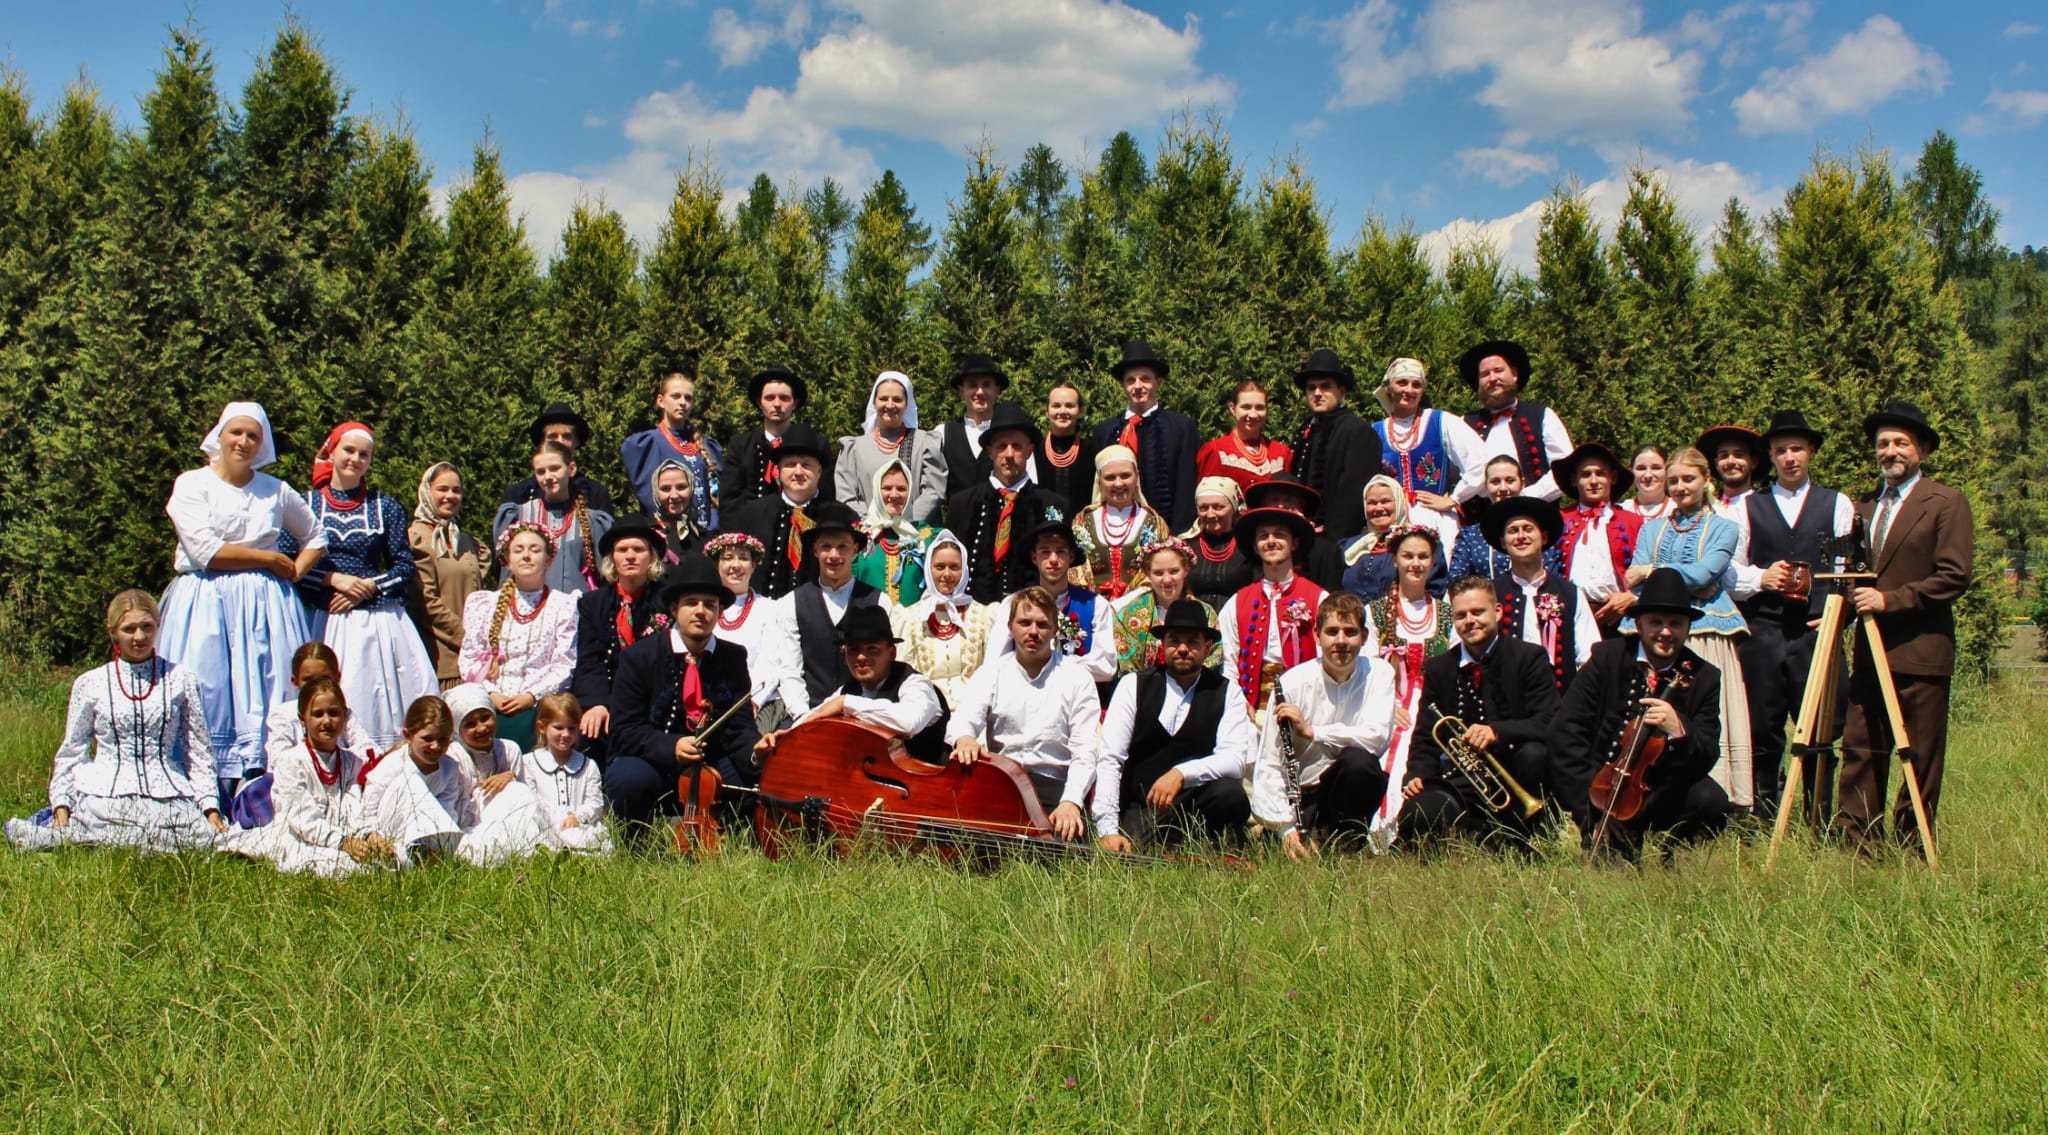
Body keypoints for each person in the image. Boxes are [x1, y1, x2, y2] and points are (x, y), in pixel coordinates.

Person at [158, 402, 324, 791]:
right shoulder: (192, 484)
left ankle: (263, 785)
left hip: (265, 605)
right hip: (205, 599)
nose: (243, 442)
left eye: (253, 436)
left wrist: (295, 570)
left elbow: (315, 535)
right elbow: (206, 551)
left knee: (267, 685)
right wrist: (270, 558)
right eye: (236, 432)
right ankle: (204, 788)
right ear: (220, 435)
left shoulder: (274, 491)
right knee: (207, 684)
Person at [1838, 401, 1973, 854]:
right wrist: (1838, 612)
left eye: (1901, 443)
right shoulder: (1862, 506)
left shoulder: (1946, 502)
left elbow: (1953, 576)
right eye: (1883, 444)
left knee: (1920, 755)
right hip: (1869, 651)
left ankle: (1914, 845)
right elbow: (1854, 577)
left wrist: (1889, 601)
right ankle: (1858, 844)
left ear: (1922, 451)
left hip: (1921, 651)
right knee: (1861, 747)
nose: (1890, 451)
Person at [6, 590, 227, 852]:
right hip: (105, 799)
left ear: (158, 626)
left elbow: (199, 752)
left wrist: (210, 807)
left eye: (147, 627)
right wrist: (62, 807)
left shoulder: (182, 679)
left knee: (199, 843)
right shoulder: (91, 683)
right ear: (112, 632)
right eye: (129, 629)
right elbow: (72, 751)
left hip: (169, 798)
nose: (139, 637)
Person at [1551, 568, 1731, 861]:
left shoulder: (1704, 676)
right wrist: (1591, 812)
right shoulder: (1607, 659)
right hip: (1604, 789)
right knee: (1612, 871)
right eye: (1656, 622)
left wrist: (1679, 729)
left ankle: (1673, 856)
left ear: (1688, 628)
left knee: (1712, 800)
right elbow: (1566, 733)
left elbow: (1708, 752)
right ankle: (1608, 835)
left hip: (1662, 791)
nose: (1665, 632)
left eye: (1676, 624)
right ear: (1638, 624)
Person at [1727, 410, 1854, 820]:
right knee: (1762, 731)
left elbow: (1846, 570)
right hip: (1763, 633)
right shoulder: (1748, 507)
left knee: (1820, 731)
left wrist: (1838, 614)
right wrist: (1761, 578)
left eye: (1797, 449)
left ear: (1811, 452)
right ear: (1770, 456)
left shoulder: (1837, 504)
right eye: (1781, 450)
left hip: (1816, 633)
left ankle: (1818, 822)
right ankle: (1763, 820)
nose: (1790, 457)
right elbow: (1730, 571)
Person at [294, 421, 437, 752]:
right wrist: (335, 580)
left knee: (381, 698)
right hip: (324, 615)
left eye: (364, 454)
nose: (355, 459)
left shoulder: (385, 506)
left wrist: (368, 587)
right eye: (349, 450)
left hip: (377, 622)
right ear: (331, 452)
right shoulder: (304, 505)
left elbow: (404, 567)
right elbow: (289, 563)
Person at [1625, 447, 1752, 810]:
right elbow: (1633, 576)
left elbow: (1703, 574)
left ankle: (1720, 797)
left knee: (1704, 709)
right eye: (1674, 480)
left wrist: (1652, 571)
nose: (1680, 487)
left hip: (1707, 629)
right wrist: (1653, 575)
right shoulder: (1652, 529)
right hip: (1659, 633)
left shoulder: (1724, 528)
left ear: (1706, 480)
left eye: (1688, 479)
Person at [1398, 577, 1561, 851]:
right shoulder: (1440, 668)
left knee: (1535, 754)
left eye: (1478, 612)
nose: (1469, 621)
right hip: (1463, 778)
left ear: (1497, 611)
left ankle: (1523, 837)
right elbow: (1426, 735)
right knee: (1420, 813)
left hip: (1517, 771)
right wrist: (1417, 774)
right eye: (1461, 615)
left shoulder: (1528, 658)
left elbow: (1549, 720)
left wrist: (1497, 732)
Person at [605, 553, 765, 829]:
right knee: (628, 779)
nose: (701, 611)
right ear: (674, 608)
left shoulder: (733, 657)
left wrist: (756, 753)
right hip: (653, 761)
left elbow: (739, 728)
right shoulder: (638, 656)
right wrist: (671, 747)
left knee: (756, 781)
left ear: (719, 612)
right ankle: (635, 841)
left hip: (712, 761)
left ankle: (728, 839)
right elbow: (624, 730)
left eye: (710, 605)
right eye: (691, 603)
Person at [1093, 600, 1253, 851]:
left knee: (1230, 794)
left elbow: (1234, 760)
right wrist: (1107, 830)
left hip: (1195, 804)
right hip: (1142, 807)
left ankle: (1208, 845)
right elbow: (1111, 759)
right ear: (1163, 644)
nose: (1182, 649)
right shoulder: (1133, 686)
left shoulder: (1227, 692)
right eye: (1174, 641)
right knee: (1133, 849)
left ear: (1207, 647)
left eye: (1192, 642)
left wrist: (1181, 774)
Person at [1249, 593, 1398, 859]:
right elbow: (1269, 764)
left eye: (1350, 632)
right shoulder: (1292, 684)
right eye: (1332, 632)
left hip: (1347, 791)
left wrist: (1313, 732)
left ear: (1364, 636)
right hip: (1301, 796)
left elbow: (1375, 738)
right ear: (1317, 636)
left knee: (1359, 763)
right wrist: (1286, 830)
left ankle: (1347, 846)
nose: (1341, 641)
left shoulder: (1380, 674)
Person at [944, 586, 1096, 841]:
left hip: (1055, 788)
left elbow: (1085, 751)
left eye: (1042, 624)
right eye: (1024, 623)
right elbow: (964, 719)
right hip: (1002, 784)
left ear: (1055, 630)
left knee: (1066, 849)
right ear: (1010, 627)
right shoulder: (991, 673)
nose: (1033, 631)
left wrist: (1071, 802)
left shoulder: (1077, 678)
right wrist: (965, 738)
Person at [218, 678, 391, 877]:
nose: (327, 721)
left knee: (391, 861)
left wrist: (369, 835)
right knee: (343, 866)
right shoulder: (291, 761)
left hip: (342, 836)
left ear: (345, 717)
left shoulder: (352, 762)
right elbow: (302, 819)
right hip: (299, 837)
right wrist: (343, 843)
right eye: (318, 714)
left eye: (334, 713)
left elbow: (354, 810)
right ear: (303, 719)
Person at [759, 605, 950, 766]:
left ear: (891, 653)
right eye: (854, 650)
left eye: (872, 649)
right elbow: (817, 715)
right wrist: (785, 738)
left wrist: (846, 703)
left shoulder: (916, 684)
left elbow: (908, 723)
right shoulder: (846, 691)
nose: (861, 657)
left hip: (928, 791)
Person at [1364, 526, 1456, 845]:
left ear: (1432, 562)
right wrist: (1389, 706)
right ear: (1395, 560)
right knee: (1390, 749)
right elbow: (1367, 668)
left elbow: (1454, 669)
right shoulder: (1375, 612)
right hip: (1388, 705)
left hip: (1434, 708)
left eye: (1423, 557)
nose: (1415, 563)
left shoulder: (1447, 613)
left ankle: (1420, 830)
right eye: (1408, 556)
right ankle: (1380, 831)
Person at [459, 523, 579, 751]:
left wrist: (530, 696)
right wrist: (491, 693)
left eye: (535, 550)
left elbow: (564, 665)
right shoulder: (484, 604)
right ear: (507, 559)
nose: (526, 556)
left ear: (548, 559)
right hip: (490, 703)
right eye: (518, 550)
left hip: (538, 705)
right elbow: (470, 657)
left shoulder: (563, 605)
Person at [771, 502, 889, 717]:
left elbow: (886, 667)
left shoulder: (879, 601)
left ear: (855, 549)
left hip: (864, 714)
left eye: (842, 546)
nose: (834, 555)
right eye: (826, 546)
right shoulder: (790, 603)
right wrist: (804, 717)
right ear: (815, 550)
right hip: (807, 713)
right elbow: (790, 671)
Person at [1217, 505, 1333, 712]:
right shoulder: (1237, 602)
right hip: (1251, 710)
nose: (1271, 541)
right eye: (1263, 536)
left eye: (1279, 534)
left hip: (1306, 706)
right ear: (1255, 547)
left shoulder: (1319, 599)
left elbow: (1327, 658)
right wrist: (1239, 704)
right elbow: (1229, 661)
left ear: (1294, 543)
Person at [571, 516, 668, 762]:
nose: (630, 556)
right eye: (622, 550)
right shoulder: (592, 604)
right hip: (607, 697)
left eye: (638, 549)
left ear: (651, 557)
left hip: (653, 700)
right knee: (587, 734)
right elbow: (589, 660)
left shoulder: (667, 602)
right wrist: (596, 703)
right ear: (612, 558)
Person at [948, 402, 1067, 603]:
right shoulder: (962, 504)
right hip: (974, 613)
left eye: (1017, 446)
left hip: (1034, 613)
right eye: (1001, 446)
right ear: (990, 451)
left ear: (1030, 451)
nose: (1009, 455)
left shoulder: (1053, 504)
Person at [981, 519, 1118, 689]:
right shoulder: (1012, 604)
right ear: (1034, 557)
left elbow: (1106, 666)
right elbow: (994, 663)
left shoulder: (1095, 605)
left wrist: (1051, 666)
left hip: (1078, 698)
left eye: (1061, 552)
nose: (1053, 559)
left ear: (1071, 556)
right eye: (1045, 551)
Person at [1484, 496, 1599, 690]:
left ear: (1544, 537)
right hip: (1504, 699)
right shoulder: (1489, 593)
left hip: (1560, 700)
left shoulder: (1571, 594)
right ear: (1503, 542)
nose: (1521, 536)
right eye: (1513, 531)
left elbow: (1589, 655)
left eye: (1528, 529)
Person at [1090, 339, 1200, 533]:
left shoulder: (1181, 427)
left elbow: (1186, 487)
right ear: (1123, 385)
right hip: (1114, 532)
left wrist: (1178, 536)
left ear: (1158, 382)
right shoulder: (1105, 431)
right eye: (1131, 380)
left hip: (1167, 534)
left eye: (1145, 379)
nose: (1138, 386)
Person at [726, 421, 834, 599]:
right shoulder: (752, 514)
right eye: (791, 464)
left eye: (806, 465)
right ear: (778, 470)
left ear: (819, 470)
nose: (798, 472)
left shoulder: (837, 516)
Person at [492, 440, 614, 596]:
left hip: (578, 606)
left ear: (571, 469)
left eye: (555, 468)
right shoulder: (519, 516)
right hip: (529, 606)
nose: (548, 476)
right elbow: (506, 574)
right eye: (541, 472)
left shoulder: (593, 521)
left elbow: (606, 578)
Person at [1458, 339, 1573, 501]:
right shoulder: (1464, 424)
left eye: (1498, 370)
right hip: (1481, 515)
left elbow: (1564, 469)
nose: (1492, 378)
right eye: (1485, 374)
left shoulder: (1542, 416)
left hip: (1535, 512)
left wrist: (1525, 498)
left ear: (1514, 374)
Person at [1287, 348, 1384, 539]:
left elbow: (1353, 497)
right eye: (1311, 388)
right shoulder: (1305, 430)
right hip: (1302, 536)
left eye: (1325, 387)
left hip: (1338, 540)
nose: (1317, 393)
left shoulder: (1358, 432)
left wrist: (1331, 544)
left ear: (1341, 391)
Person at [1371, 357, 1487, 513]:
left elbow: (1480, 461)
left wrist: (1454, 499)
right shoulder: (1375, 431)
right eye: (1402, 383)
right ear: (1389, 387)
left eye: (1416, 385)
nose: (1409, 390)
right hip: (1389, 518)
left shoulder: (1442, 421)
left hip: (1433, 517)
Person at [407, 462, 485, 689]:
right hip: (441, 660)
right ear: (426, 491)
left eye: (456, 490)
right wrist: (466, 638)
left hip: (474, 660)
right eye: (442, 489)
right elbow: (425, 602)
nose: (450, 496)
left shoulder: (466, 541)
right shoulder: (416, 539)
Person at [1553, 442, 1643, 636]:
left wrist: (1632, 597)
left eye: (1600, 473)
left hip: (1619, 616)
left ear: (1613, 478)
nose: (1593, 481)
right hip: (1570, 615)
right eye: (1586, 474)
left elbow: (1647, 569)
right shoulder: (1559, 521)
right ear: (1574, 480)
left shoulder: (1633, 522)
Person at [835, 370, 945, 526]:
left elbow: (932, 491)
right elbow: (847, 496)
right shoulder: (854, 448)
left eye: (897, 399)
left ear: (907, 404)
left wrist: (905, 524)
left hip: (915, 533)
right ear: (874, 402)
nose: (890, 405)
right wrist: (874, 525)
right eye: (883, 398)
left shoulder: (924, 443)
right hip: (869, 534)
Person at [703, 531, 789, 728]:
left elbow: (771, 662)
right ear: (716, 565)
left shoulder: (770, 609)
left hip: (757, 701)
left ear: (754, 565)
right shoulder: (705, 607)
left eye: (743, 558)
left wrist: (753, 701)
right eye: (728, 558)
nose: (736, 565)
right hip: (710, 702)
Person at [621, 371, 721, 530]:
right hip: (668, 534)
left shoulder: (707, 446)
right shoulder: (647, 444)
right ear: (661, 401)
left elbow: (716, 496)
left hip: (705, 533)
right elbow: (649, 498)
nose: (682, 403)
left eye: (688, 398)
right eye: (676, 396)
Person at [722, 364, 830, 512]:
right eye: (770, 398)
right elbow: (729, 502)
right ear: (760, 402)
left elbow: (825, 497)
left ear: (795, 403)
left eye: (784, 398)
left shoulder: (817, 445)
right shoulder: (740, 445)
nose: (777, 404)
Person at [517, 692, 614, 853]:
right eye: (558, 728)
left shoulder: (588, 765)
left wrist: (578, 818)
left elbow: (595, 803)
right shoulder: (529, 763)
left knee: (596, 840)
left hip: (580, 825)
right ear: (542, 727)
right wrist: (555, 822)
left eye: (571, 728)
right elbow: (531, 803)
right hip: (545, 826)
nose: (566, 734)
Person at [899, 532, 987, 709]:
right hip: (927, 711)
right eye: (940, 567)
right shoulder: (911, 617)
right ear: (928, 569)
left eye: (954, 567)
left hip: (974, 710)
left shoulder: (984, 614)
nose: (947, 574)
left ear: (964, 569)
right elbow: (905, 675)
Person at [1069, 445, 1170, 600]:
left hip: (1140, 605)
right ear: (1099, 481)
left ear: (1136, 476)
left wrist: (1127, 602)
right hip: (1091, 603)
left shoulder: (1154, 521)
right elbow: (1074, 569)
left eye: (1125, 476)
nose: (1118, 484)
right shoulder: (1083, 521)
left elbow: (1161, 569)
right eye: (1110, 477)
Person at [1339, 474, 1453, 603]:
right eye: (1372, 503)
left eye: (1385, 501)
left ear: (1399, 502)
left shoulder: (1419, 543)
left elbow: (1434, 590)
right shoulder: (1350, 547)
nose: (1378, 508)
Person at [263, 641, 376, 771]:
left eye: (325, 678)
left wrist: (337, 758)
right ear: (295, 681)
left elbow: (369, 750)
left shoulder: (339, 712)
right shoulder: (283, 714)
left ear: (337, 678)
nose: (317, 685)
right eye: (308, 680)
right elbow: (279, 759)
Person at [1111, 538, 1215, 677]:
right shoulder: (1128, 615)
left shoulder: (1206, 613)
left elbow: (1214, 656)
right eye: (1158, 573)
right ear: (1147, 573)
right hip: (1144, 687)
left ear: (1186, 569)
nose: (1167, 580)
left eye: (1174, 571)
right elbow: (1127, 667)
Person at [851, 459, 940, 607]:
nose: (894, 494)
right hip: (868, 620)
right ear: (877, 491)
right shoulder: (858, 537)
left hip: (914, 621)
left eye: (901, 489)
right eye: (887, 488)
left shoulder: (925, 537)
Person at [501, 401, 615, 514]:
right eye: (553, 436)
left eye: (566, 436)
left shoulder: (596, 494)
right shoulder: (518, 495)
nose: (560, 442)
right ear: (542, 442)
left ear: (576, 441)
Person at [1197, 380, 1292, 497]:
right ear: (1233, 408)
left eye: (1259, 408)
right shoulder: (1215, 451)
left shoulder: (1281, 453)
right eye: (1246, 407)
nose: (1253, 414)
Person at [939, 354, 1012, 502]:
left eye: (986, 385)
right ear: (962, 390)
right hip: (957, 517)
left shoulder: (1010, 433)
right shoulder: (942, 434)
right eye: (973, 385)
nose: (980, 392)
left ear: (997, 390)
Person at [1448, 456, 1534, 581]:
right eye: (1495, 482)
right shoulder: (1471, 536)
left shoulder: (1538, 531)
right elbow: (1456, 579)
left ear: (1522, 483)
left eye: (1510, 480)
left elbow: (1551, 578)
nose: (1503, 488)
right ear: (1486, 486)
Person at [1031, 379, 1098, 516]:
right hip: (1041, 526)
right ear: (1047, 411)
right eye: (1056, 406)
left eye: (1069, 405)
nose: (1062, 411)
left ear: (1080, 411)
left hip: (1082, 525)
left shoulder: (1092, 453)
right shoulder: (1033, 451)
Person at [444, 683, 522, 796]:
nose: (481, 728)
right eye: (470, 724)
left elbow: (523, 792)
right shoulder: (452, 757)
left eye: (485, 718)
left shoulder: (510, 749)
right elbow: (454, 801)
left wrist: (510, 778)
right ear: (456, 728)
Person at [1699, 423, 1765, 514]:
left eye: (1739, 455)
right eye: (1724, 456)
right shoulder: (1707, 509)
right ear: (1716, 463)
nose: (1730, 461)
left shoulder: (1765, 508)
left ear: (1753, 462)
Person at [647, 460, 704, 563]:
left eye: (681, 487)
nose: (674, 495)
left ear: (691, 489)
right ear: (656, 492)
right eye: (665, 489)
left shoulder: (703, 537)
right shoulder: (646, 535)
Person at [1622, 445, 1673, 522]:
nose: (1648, 475)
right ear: (1631, 472)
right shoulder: (1622, 510)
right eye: (1641, 468)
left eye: (1656, 468)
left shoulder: (1678, 510)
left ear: (1667, 470)